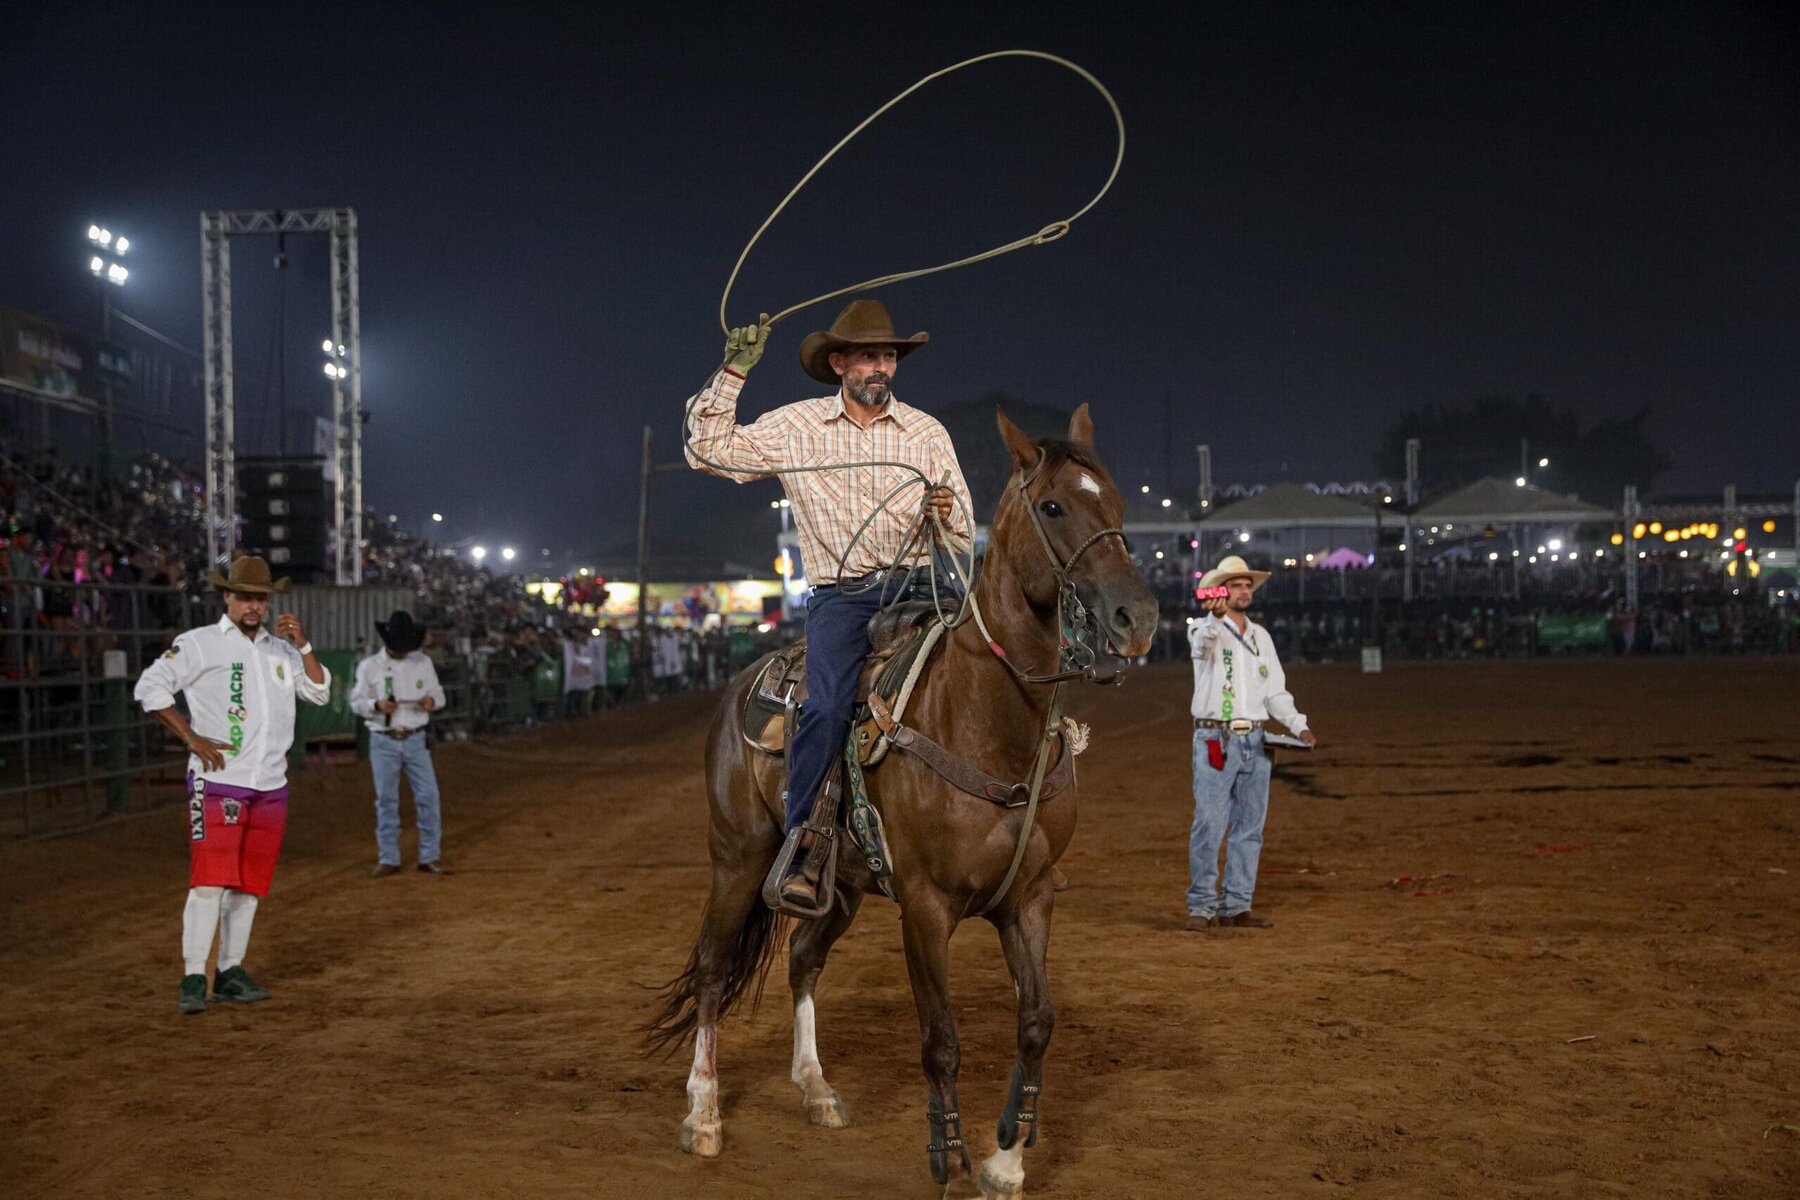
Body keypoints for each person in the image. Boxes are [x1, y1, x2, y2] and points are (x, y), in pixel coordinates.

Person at [685, 298, 972, 912]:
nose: (881, 368)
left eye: (889, 357)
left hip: (922, 586)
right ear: (839, 363)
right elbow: (707, 451)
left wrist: (947, 515)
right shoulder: (795, 428)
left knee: (995, 665)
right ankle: (807, 844)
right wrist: (733, 372)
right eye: (869, 356)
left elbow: (965, 525)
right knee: (825, 707)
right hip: (842, 598)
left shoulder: (927, 433)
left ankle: (1018, 828)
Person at [133, 555, 331, 1013]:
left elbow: (319, 691)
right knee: (210, 882)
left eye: (259, 598)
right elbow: (150, 687)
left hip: (268, 783)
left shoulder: (281, 650)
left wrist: (303, 646)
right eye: (244, 596)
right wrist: (191, 737)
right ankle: (192, 975)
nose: (253, 606)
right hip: (220, 781)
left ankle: (229, 971)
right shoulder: (200, 644)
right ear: (227, 597)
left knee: (246, 885)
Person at [1185, 555, 1317, 932]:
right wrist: (1213, 617)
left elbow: (1275, 691)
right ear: (1221, 592)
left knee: (1249, 826)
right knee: (1210, 823)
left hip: (1256, 738)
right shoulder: (1204, 628)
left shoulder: (1261, 636)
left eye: (1247, 586)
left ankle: (1236, 904)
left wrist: (1298, 725)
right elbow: (1202, 645)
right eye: (1236, 585)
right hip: (1216, 736)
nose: (1243, 591)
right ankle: (1203, 905)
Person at [350, 610, 449, 877]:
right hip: (385, 739)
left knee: (428, 796)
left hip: (414, 738)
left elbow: (438, 695)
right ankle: (390, 856)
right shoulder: (369, 666)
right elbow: (356, 702)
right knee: (386, 799)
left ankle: (427, 855)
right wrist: (376, 705)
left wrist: (432, 701)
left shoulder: (422, 663)